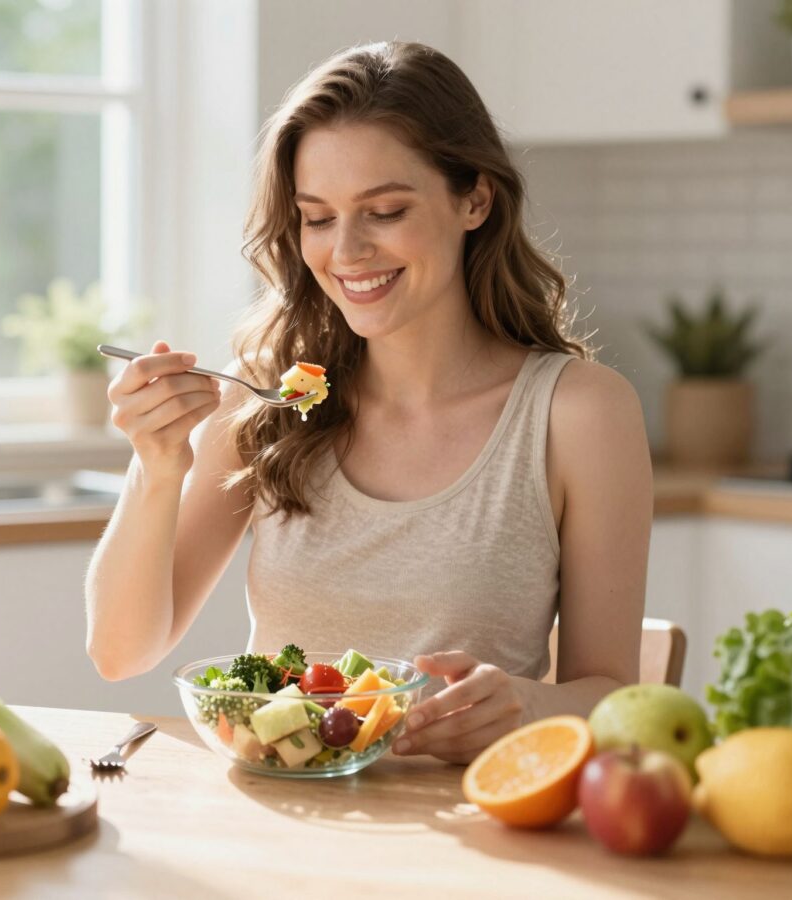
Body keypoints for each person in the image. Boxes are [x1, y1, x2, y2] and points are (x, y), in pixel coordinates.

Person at [85, 41, 652, 765]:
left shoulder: (580, 415)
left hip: (468, 835)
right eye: (317, 218)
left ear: (474, 198)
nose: (346, 251)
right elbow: (119, 652)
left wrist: (526, 704)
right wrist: (158, 467)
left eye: (383, 210)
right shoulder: (265, 393)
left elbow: (613, 696)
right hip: (280, 822)